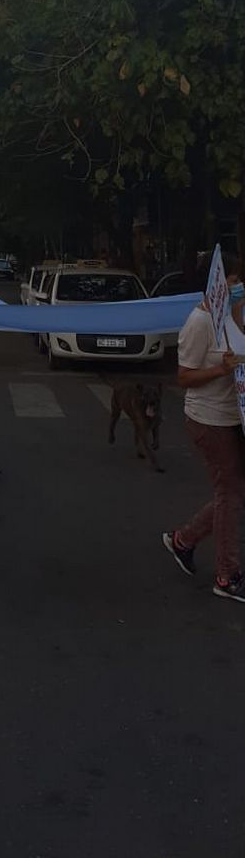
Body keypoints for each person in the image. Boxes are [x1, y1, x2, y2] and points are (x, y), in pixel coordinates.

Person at [163, 251, 245, 602]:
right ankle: (226, 575)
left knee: (234, 493)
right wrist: (221, 370)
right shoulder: (198, 322)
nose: (239, 288)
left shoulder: (234, 315)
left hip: (234, 417)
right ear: (219, 283)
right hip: (208, 420)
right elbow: (184, 377)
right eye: (235, 283)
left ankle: (183, 540)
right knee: (231, 494)